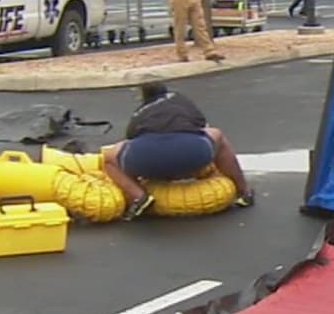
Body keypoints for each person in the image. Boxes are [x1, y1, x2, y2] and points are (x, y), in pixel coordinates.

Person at [103, 82, 256, 220]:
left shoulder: (139, 112)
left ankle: (139, 196)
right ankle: (244, 191)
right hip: (192, 152)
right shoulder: (180, 99)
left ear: (143, 97)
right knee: (218, 135)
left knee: (109, 159)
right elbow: (203, 127)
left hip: (146, 158)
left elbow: (132, 140)